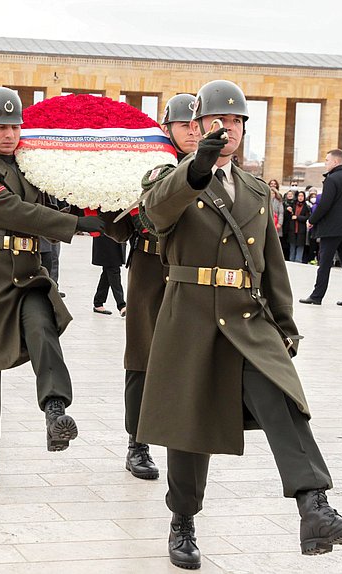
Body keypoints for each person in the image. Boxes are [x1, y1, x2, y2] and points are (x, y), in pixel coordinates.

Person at [138, 79, 342, 570]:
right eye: (219, 120)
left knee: (283, 397)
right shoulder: (169, 176)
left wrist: (285, 324)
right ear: (199, 127)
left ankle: (315, 509)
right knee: (187, 431)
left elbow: (271, 263)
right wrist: (196, 167)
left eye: (238, 121)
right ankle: (183, 520)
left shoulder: (256, 190)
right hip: (191, 315)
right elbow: (155, 214)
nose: (230, 128)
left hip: (247, 317)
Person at [0, 87, 104, 486]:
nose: (9, 134)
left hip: (27, 273)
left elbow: (55, 203)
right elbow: (13, 211)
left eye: (15, 126)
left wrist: (95, 208)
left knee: (43, 328)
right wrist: (73, 226)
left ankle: (55, 411)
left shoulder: (31, 168)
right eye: (1, 126)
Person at [100, 92, 198, 481]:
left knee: (190, 358)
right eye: (184, 126)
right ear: (167, 128)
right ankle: (137, 442)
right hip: (149, 266)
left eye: (197, 125)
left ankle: (185, 435)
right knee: (141, 356)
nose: (192, 132)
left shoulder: (214, 169)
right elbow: (120, 226)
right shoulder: (146, 167)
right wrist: (105, 200)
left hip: (193, 271)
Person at [299, 149, 342, 307]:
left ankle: (317, 296)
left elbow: (325, 204)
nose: (325, 163)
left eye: (327, 160)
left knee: (324, 262)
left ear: (335, 162)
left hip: (332, 229)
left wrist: (312, 220)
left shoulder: (332, 179)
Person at [91, 234, 126, 315]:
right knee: (113, 269)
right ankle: (121, 305)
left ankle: (98, 302)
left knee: (107, 271)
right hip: (107, 236)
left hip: (115, 237)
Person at [286, 190, 311, 263]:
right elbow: (288, 216)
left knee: (300, 245)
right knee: (292, 245)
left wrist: (297, 217)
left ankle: (298, 260)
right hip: (292, 228)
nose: (300, 197)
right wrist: (288, 211)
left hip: (301, 229)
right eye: (299, 196)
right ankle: (291, 259)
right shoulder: (293, 204)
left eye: (302, 196)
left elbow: (307, 217)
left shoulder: (306, 206)